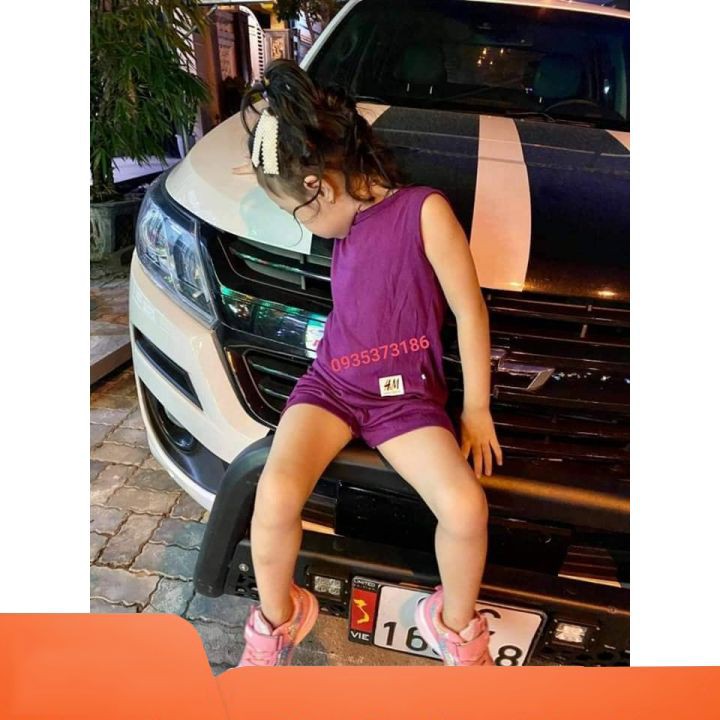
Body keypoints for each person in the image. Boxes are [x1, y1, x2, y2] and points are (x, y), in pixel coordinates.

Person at [236, 58, 503, 667]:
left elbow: (470, 312)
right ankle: (274, 626)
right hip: (331, 387)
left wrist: (477, 408)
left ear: (321, 187)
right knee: (274, 493)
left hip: (404, 403)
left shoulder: (424, 211)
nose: (303, 225)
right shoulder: (340, 217)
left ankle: (455, 630)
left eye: (297, 211)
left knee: (465, 507)